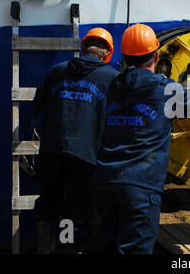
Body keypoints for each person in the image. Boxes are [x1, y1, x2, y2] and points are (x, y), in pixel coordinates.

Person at [88, 23, 190, 254]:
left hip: (103, 182)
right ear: (156, 55)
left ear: (124, 56)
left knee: (101, 248)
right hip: (140, 187)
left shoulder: (111, 86)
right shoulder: (166, 89)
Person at [33, 28, 119, 254]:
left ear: (82, 48)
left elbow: (38, 104)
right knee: (74, 212)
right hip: (84, 157)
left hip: (51, 152)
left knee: (48, 203)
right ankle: (67, 250)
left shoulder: (58, 71)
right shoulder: (111, 78)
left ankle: (45, 249)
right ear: (107, 54)